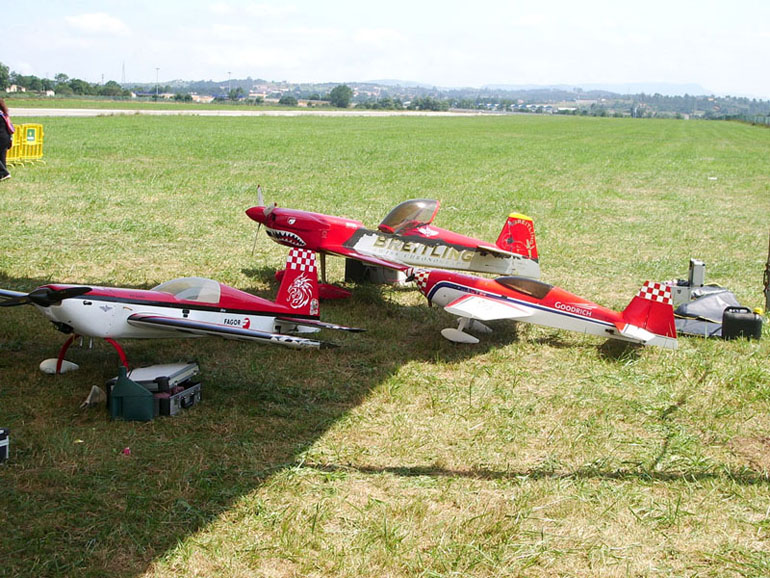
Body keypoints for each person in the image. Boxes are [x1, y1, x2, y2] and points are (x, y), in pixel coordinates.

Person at [0, 98, 15, 181]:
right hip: (6, 137)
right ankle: (2, 175)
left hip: (1, 137)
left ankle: (4, 173)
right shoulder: (3, 113)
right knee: (2, 157)